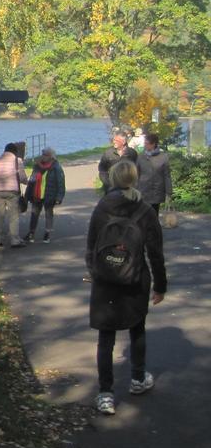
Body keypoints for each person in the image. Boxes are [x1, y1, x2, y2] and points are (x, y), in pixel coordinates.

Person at [86, 160, 167, 416]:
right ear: (135, 178)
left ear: (112, 178)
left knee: (105, 337)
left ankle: (105, 394)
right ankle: (137, 378)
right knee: (137, 328)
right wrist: (160, 286)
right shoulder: (145, 211)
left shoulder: (102, 207)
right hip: (135, 279)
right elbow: (155, 252)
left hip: (105, 279)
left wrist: (96, 272)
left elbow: (91, 246)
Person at [24, 147, 65, 243]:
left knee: (48, 214)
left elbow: (60, 183)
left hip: (49, 195)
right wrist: (27, 194)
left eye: (45, 155)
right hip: (36, 195)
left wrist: (59, 197)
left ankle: (47, 234)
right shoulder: (37, 166)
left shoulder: (56, 167)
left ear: (51, 157)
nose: (43, 156)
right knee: (34, 214)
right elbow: (32, 180)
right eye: (42, 154)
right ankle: (31, 233)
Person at [0, 142, 27, 248]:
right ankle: (15, 240)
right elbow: (22, 177)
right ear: (15, 151)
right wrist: (26, 182)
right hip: (12, 192)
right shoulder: (17, 161)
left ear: (5, 150)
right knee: (13, 216)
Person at [136, 132, 172, 215]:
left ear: (153, 144)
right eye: (144, 143)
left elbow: (167, 175)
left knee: (154, 215)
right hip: (143, 191)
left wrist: (169, 192)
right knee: (143, 215)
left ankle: (154, 228)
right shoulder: (140, 157)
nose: (145, 145)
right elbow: (136, 174)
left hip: (157, 191)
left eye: (147, 144)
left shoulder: (163, 157)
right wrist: (134, 189)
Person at [98, 130, 138, 195]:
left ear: (123, 141)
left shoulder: (132, 153)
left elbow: (137, 170)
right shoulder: (108, 153)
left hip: (127, 189)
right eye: (113, 140)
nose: (114, 142)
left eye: (116, 140)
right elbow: (102, 169)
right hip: (110, 189)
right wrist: (107, 182)